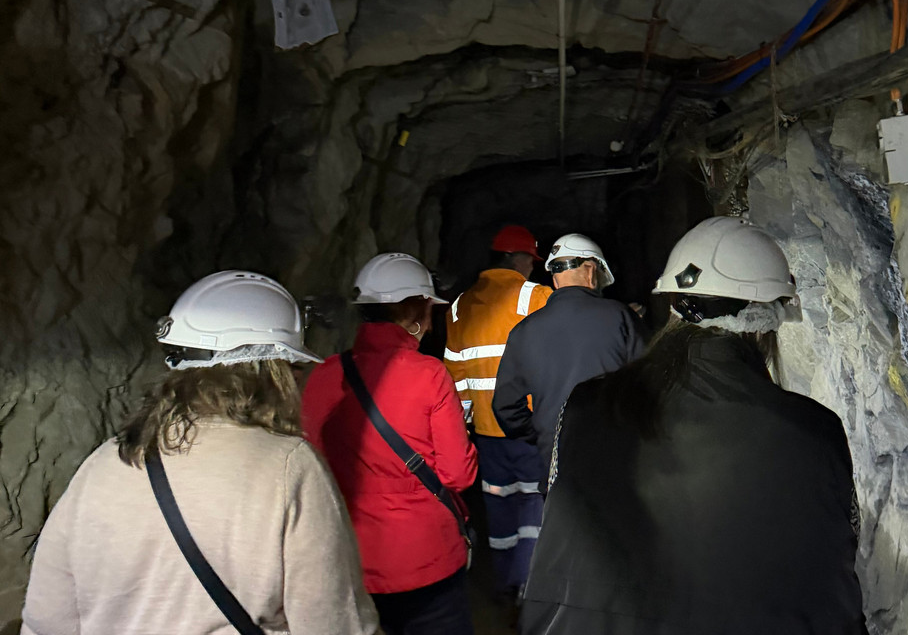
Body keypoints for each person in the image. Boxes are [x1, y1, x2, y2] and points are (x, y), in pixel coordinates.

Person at [520, 217, 868, 635]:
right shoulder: (814, 430)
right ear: (766, 324)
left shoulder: (585, 406)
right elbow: (834, 565)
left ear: (673, 306)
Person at [20, 270, 380, 635]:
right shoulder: (289, 468)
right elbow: (334, 623)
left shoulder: (103, 464)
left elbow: (46, 618)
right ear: (273, 371)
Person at [303, 253, 478, 635]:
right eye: (429, 310)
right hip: (426, 558)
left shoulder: (325, 374)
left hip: (351, 556)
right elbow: (458, 475)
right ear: (414, 313)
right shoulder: (430, 374)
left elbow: (312, 467)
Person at [443, 225, 552, 597]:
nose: (532, 267)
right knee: (534, 505)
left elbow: (455, 375)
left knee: (500, 506)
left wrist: (467, 425)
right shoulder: (536, 296)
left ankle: (506, 583)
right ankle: (529, 586)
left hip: (487, 436)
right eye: (531, 260)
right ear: (519, 258)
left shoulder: (459, 305)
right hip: (528, 428)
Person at [493, 233, 643, 477]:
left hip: (554, 459)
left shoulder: (523, 331)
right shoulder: (620, 317)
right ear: (591, 270)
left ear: (554, 279)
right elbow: (651, 385)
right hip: (617, 454)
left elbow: (505, 407)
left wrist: (542, 433)